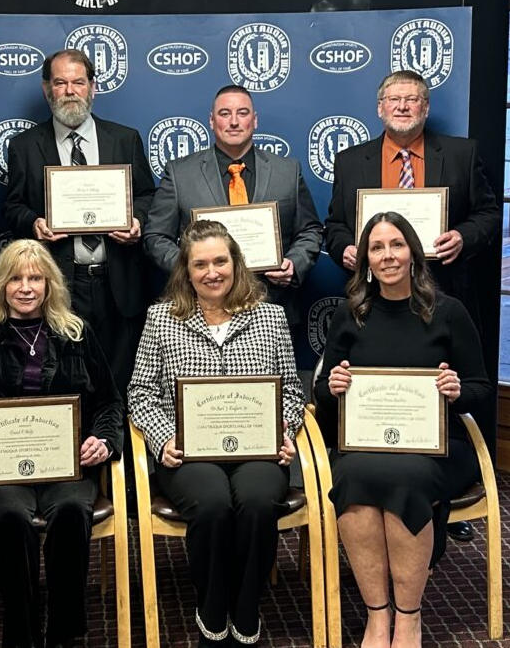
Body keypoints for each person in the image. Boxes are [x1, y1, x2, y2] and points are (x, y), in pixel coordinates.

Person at [324, 69, 499, 542]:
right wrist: (344, 246)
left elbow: (489, 214)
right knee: (383, 401)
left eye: (413, 99)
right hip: (378, 304)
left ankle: (442, 499)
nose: (402, 106)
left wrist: (463, 236)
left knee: (446, 399)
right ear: (380, 108)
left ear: (425, 107)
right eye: (393, 99)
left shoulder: (462, 154)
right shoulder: (351, 160)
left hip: (443, 299)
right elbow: (336, 224)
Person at [0, 239, 123, 648]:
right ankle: (21, 633)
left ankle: (64, 632)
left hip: (66, 465)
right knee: (12, 517)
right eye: (15, 278)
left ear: (51, 283)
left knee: (71, 509)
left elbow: (108, 403)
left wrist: (103, 440)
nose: (26, 287)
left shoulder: (76, 333)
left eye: (35, 278)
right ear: (0, 284)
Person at [314, 212, 491, 648]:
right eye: (377, 247)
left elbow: (481, 387)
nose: (388, 255)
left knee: (405, 478)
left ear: (413, 252)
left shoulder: (448, 312)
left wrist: (455, 391)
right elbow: (321, 390)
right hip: (365, 442)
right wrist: (332, 386)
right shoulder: (350, 314)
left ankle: (409, 617)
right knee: (353, 475)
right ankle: (378, 615)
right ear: (366, 260)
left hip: (436, 446)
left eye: (396, 245)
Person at [128, 220, 305, 646]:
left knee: (260, 501)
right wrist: (162, 437)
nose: (212, 272)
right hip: (190, 453)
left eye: (220, 261)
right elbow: (140, 392)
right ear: (186, 271)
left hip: (258, 450)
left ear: (236, 263)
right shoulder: (161, 318)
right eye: (201, 264)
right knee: (212, 504)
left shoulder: (271, 316)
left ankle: (246, 606)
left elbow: (293, 391)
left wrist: (284, 428)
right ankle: (211, 604)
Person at [4, 48, 156, 395]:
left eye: (78, 82)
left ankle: (118, 447)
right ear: (47, 90)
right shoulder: (24, 146)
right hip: (59, 282)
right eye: (60, 83)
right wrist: (35, 223)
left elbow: (149, 196)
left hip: (117, 281)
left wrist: (137, 221)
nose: (70, 90)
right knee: (64, 380)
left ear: (93, 87)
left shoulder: (124, 138)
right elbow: (12, 207)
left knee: (120, 384)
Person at [143, 84, 323, 336]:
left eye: (243, 113)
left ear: (255, 120)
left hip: (270, 305)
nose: (234, 122)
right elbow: (156, 237)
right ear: (211, 120)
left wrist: (293, 264)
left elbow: (310, 230)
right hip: (200, 310)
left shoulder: (287, 171)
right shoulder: (180, 172)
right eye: (225, 114)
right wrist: (193, 269)